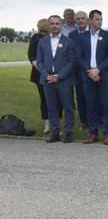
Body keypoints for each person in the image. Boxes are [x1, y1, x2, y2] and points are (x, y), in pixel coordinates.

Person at [77, 9, 108, 145]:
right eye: (97, 19)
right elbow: (79, 56)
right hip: (88, 75)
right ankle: (93, 133)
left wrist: (98, 70)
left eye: (101, 19)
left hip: (104, 75)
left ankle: (107, 134)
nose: (99, 21)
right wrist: (90, 71)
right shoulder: (82, 37)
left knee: (106, 104)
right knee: (90, 105)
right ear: (90, 20)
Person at [36, 15, 78, 143]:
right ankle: (55, 133)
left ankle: (69, 132)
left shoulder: (69, 42)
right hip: (47, 79)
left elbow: (71, 62)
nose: (54, 25)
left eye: (57, 23)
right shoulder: (42, 42)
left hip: (63, 80)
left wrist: (59, 76)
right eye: (52, 23)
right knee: (51, 107)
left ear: (61, 25)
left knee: (68, 107)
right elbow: (39, 61)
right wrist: (46, 75)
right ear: (49, 25)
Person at [28, 18, 52, 134]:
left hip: (55, 73)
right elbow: (31, 56)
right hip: (40, 74)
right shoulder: (35, 38)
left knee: (57, 99)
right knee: (44, 98)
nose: (42, 33)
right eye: (40, 30)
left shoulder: (54, 38)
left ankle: (56, 122)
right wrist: (43, 70)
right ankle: (47, 123)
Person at [69, 11, 90, 129]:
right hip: (76, 71)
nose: (80, 20)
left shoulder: (91, 33)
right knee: (80, 97)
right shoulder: (72, 35)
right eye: (78, 19)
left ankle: (96, 119)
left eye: (83, 18)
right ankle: (84, 121)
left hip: (90, 70)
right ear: (75, 21)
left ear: (87, 20)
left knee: (92, 97)